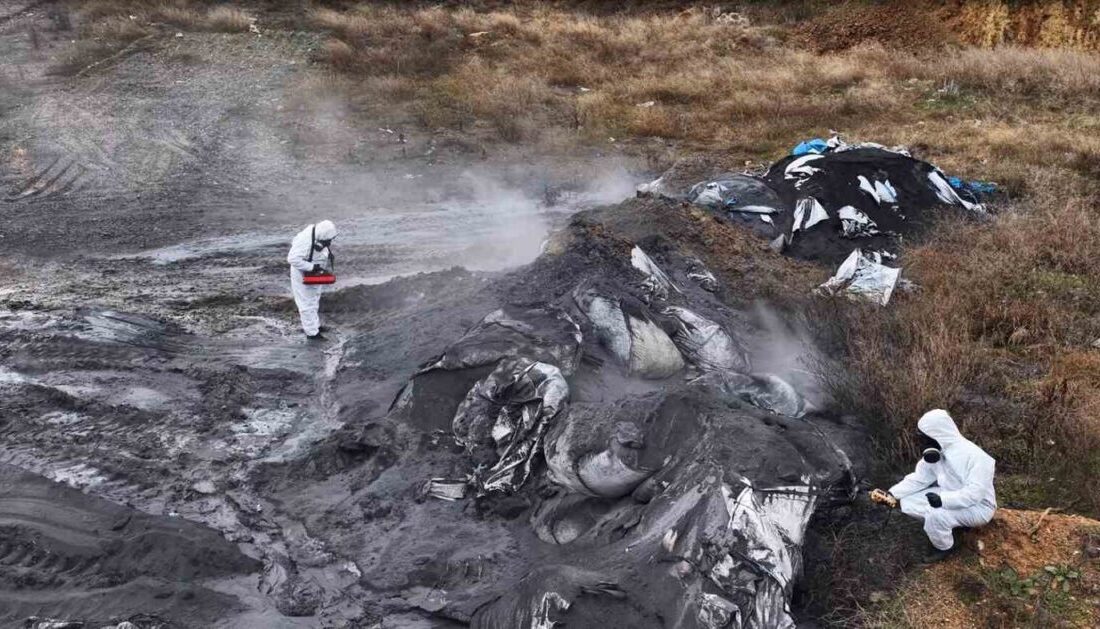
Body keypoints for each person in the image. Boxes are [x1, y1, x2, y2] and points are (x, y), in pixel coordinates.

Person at [880, 409, 997, 561]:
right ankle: (952, 525)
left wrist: (943, 501)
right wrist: (892, 494)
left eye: (924, 438)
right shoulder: (936, 453)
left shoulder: (977, 457)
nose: (922, 443)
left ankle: (945, 547)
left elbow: (975, 494)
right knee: (907, 502)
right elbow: (919, 479)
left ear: (937, 434)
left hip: (979, 507)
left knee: (935, 514)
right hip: (948, 494)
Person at [287, 220, 336, 340]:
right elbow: (292, 259)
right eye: (327, 241)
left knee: (314, 299)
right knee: (306, 303)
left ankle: (315, 326)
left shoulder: (317, 233)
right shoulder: (305, 241)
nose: (329, 243)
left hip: (314, 269)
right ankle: (312, 333)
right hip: (302, 272)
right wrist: (312, 267)